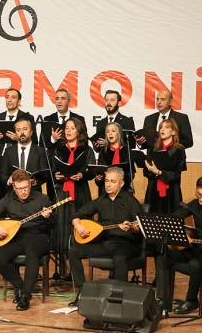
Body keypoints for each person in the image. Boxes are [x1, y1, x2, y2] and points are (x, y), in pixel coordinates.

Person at [155, 175, 202, 314]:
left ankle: (192, 300)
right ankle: (164, 300)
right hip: (197, 247)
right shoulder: (194, 205)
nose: (201, 199)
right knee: (163, 257)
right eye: (199, 194)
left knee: (195, 263)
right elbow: (175, 217)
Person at [68, 167, 143, 305]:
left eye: (112, 181)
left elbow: (141, 227)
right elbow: (77, 214)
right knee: (74, 251)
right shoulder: (101, 200)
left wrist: (132, 227)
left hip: (126, 244)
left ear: (121, 183)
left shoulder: (130, 201)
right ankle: (82, 292)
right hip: (105, 243)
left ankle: (118, 297)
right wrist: (77, 225)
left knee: (119, 258)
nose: (108, 185)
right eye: (107, 181)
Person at [0, 170, 55, 311]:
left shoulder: (42, 199)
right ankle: (19, 286)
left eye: (26, 187)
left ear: (30, 184)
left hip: (39, 236)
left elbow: (54, 224)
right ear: (13, 187)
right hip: (17, 237)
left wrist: (48, 217)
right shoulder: (8, 199)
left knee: (32, 252)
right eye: (19, 189)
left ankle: (25, 296)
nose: (23, 192)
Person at [51, 118, 95, 268]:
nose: (68, 131)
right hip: (62, 192)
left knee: (78, 224)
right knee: (62, 226)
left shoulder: (86, 150)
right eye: (67, 128)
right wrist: (56, 176)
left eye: (72, 128)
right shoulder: (58, 149)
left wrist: (82, 175)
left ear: (79, 131)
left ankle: (76, 265)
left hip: (80, 191)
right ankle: (64, 266)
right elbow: (52, 170)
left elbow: (92, 172)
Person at [0, 88, 36, 201]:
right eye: (7, 97)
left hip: (19, 159)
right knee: (1, 193)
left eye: (13, 97)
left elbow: (35, 141)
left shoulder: (27, 117)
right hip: (1, 160)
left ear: (19, 101)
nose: (9, 100)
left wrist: (18, 138)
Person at [143, 119, 187, 214]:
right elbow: (146, 172)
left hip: (171, 191)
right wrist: (149, 168)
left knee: (170, 218)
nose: (162, 130)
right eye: (161, 127)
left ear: (173, 132)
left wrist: (159, 172)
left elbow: (177, 174)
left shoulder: (179, 149)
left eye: (166, 127)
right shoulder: (153, 148)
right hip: (154, 189)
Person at [0, 119, 50, 197]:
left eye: (25, 129)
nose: (22, 132)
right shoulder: (8, 151)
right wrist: (9, 181)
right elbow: (2, 173)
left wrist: (34, 182)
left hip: (34, 194)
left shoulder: (40, 151)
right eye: (18, 130)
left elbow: (45, 175)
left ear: (31, 132)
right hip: (13, 195)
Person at [96, 122, 136, 192]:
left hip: (123, 190)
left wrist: (117, 178)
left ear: (119, 133)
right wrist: (98, 179)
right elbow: (99, 174)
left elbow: (131, 174)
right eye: (107, 132)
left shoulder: (127, 151)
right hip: (106, 191)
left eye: (113, 131)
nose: (110, 133)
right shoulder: (103, 152)